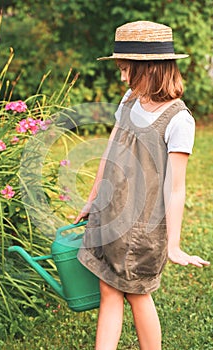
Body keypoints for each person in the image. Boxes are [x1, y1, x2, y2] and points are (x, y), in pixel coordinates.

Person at [74, 21, 210, 350]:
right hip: (110, 213)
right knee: (109, 289)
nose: (122, 77)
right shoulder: (130, 99)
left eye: (125, 70)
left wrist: (173, 245)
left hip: (140, 230)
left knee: (137, 295)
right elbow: (111, 148)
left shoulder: (179, 120)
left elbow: (175, 187)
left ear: (149, 69)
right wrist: (93, 197)